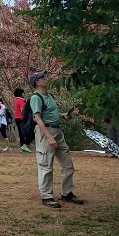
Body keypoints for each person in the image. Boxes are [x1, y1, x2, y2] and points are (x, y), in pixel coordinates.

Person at [29, 70, 84, 208]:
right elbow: (37, 117)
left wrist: (65, 115)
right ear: (37, 82)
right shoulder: (36, 98)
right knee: (45, 165)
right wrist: (48, 136)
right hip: (46, 131)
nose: (46, 78)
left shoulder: (49, 96)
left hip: (57, 130)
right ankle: (46, 196)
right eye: (43, 77)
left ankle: (67, 193)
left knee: (67, 164)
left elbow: (51, 112)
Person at [13, 88, 31, 152]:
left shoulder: (16, 100)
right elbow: (23, 110)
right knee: (26, 132)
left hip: (17, 117)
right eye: (23, 93)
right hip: (21, 118)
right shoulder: (21, 101)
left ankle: (22, 146)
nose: (24, 94)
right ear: (20, 94)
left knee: (21, 133)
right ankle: (25, 145)